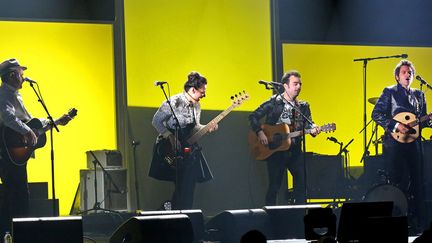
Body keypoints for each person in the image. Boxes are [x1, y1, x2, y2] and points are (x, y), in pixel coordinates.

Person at [0, 58, 71, 233]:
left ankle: (18, 232)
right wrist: (26, 131)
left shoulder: (16, 95)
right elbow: (8, 118)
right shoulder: (4, 95)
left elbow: (32, 123)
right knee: (16, 195)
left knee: (19, 195)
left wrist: (55, 121)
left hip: (16, 155)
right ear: (11, 75)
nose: (24, 77)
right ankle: (11, 234)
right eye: (20, 73)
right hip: (6, 153)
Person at [372, 59, 431, 233]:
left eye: (410, 72)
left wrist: (429, 122)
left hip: (414, 145)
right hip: (395, 144)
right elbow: (376, 114)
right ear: (397, 76)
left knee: (418, 181)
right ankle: (396, 222)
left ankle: (419, 223)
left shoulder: (419, 95)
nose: (408, 74)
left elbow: (422, 123)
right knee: (397, 181)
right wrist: (397, 126)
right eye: (404, 72)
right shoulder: (389, 92)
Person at [249, 70, 320, 205]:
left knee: (301, 184)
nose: (298, 87)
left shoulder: (303, 106)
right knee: (274, 186)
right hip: (276, 151)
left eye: (300, 84)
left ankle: (300, 215)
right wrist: (260, 132)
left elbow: (309, 122)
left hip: (295, 150)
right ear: (285, 86)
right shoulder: (274, 102)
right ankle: (271, 216)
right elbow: (253, 116)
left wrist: (314, 128)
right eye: (295, 84)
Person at [149, 71, 217, 210]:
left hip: (188, 148)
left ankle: (182, 213)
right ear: (193, 90)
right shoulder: (174, 102)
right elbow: (156, 121)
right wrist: (170, 136)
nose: (204, 95)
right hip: (170, 147)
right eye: (202, 91)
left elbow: (195, 126)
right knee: (181, 183)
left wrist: (207, 128)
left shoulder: (196, 106)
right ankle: (169, 211)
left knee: (189, 184)